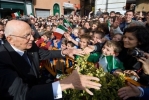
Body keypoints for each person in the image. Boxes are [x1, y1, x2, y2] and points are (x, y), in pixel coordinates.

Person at [0, 20, 101, 100]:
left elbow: (43, 54)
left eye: (31, 34)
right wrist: (66, 83)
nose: (32, 38)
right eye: (26, 36)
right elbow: (22, 94)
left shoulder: (30, 45)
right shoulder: (2, 60)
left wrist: (64, 52)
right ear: (10, 39)